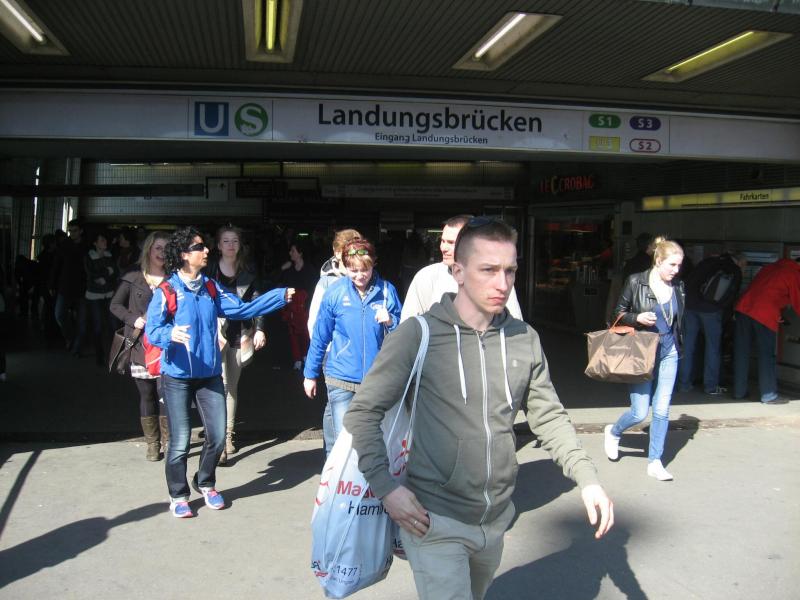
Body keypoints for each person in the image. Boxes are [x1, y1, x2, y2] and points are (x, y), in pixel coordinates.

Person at [344, 218, 613, 600]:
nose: (502, 283)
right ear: (458, 271)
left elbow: (549, 416)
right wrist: (386, 488)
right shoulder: (418, 335)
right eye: (488, 270)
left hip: (496, 519)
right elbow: (363, 412)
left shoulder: (524, 338)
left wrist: (587, 478)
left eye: (510, 271)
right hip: (433, 520)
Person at [145, 226, 294, 518]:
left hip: (209, 374)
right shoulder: (167, 291)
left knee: (216, 436)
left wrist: (278, 297)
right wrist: (169, 334)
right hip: (177, 376)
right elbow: (152, 330)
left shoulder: (211, 288)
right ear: (184, 254)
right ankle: (178, 495)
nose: (206, 251)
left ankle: (205, 482)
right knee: (179, 442)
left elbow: (241, 309)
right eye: (199, 247)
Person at [303, 238, 401, 456]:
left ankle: (368, 479)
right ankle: (336, 478)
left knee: (374, 440)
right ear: (345, 267)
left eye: (364, 269)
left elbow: (403, 335)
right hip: (341, 378)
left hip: (377, 379)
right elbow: (320, 336)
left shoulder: (387, 291)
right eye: (353, 270)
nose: (359, 276)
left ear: (373, 263)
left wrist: (391, 321)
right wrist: (310, 374)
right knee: (344, 444)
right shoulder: (335, 293)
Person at [604, 237, 685, 481]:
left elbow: (679, 321)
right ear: (658, 261)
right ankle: (614, 431)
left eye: (679, 265)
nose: (676, 270)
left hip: (669, 352)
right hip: (642, 351)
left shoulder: (679, 286)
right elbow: (617, 314)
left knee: (661, 410)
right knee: (640, 412)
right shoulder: (636, 281)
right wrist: (637, 318)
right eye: (672, 265)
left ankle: (655, 461)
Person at [204, 224, 268, 464]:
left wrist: (260, 329)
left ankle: (228, 434)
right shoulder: (209, 269)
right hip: (214, 333)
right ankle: (219, 440)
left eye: (235, 241)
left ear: (240, 245)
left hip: (240, 333)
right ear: (218, 245)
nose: (231, 245)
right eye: (226, 241)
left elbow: (258, 302)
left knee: (231, 386)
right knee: (218, 385)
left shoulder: (248, 269)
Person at [110, 231, 171, 461]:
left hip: (166, 345)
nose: (162, 253)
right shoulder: (133, 276)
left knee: (165, 394)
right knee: (147, 395)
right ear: (148, 250)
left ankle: (169, 443)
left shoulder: (174, 278)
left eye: (166, 248)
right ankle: (152, 444)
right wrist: (132, 319)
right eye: (158, 248)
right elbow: (115, 305)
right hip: (140, 345)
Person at [400, 214, 523, 322]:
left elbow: (515, 325)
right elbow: (408, 325)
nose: (443, 248)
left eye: (451, 242)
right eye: (443, 241)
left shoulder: (499, 282)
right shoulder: (426, 277)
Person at [305, 228, 363, 454]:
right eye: (345, 250)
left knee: (337, 404)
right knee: (336, 403)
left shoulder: (364, 277)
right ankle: (334, 455)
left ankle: (336, 456)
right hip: (333, 353)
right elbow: (315, 324)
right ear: (336, 252)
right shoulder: (327, 282)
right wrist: (324, 353)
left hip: (356, 353)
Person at [732, 257, 800, 404]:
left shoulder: (769, 267)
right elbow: (798, 302)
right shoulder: (794, 273)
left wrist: (778, 313)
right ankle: (769, 395)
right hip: (764, 314)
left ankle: (739, 392)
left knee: (741, 352)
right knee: (766, 355)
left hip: (744, 309)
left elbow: (764, 292)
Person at [678, 252, 745, 396]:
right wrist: (725, 316)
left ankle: (684, 384)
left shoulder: (706, 262)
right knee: (713, 348)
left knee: (688, 346)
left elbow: (689, 282)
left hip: (690, 307)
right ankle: (711, 386)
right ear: (739, 261)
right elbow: (731, 296)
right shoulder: (733, 270)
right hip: (711, 311)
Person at [50, 219, 88, 355]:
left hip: (82, 287)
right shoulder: (65, 245)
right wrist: (52, 283)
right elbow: (56, 265)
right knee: (59, 315)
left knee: (81, 321)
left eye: (75, 231)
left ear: (81, 231)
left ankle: (76, 346)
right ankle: (71, 339)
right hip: (66, 286)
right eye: (70, 231)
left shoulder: (86, 246)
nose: (72, 233)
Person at [280, 238, 317, 370]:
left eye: (293, 251)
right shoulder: (289, 269)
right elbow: (280, 285)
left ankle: (306, 356)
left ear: (300, 253)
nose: (290, 253)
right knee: (293, 333)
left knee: (306, 332)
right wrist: (282, 269)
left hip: (305, 307)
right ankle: (297, 359)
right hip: (292, 307)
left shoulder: (310, 269)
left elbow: (314, 290)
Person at [84, 231, 118, 366]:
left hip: (109, 293)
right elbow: (91, 274)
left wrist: (103, 275)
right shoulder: (89, 256)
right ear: (95, 243)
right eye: (102, 240)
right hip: (94, 295)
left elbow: (114, 272)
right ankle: (99, 355)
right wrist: (107, 271)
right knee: (97, 326)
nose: (105, 242)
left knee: (113, 325)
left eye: (105, 240)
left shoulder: (109, 255)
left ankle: (114, 354)